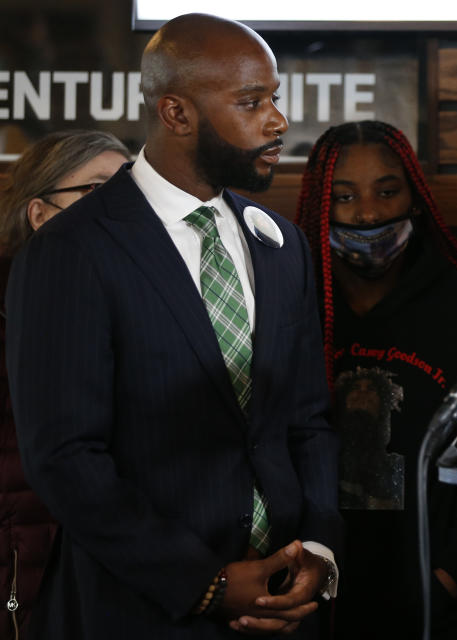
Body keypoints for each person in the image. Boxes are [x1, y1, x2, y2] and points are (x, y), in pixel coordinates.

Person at [6, 14, 341, 639]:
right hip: (140, 612)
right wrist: (203, 583)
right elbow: (65, 458)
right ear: (176, 114)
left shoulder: (281, 245)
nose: (276, 121)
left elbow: (307, 421)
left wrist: (318, 553)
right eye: (250, 102)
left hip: (285, 610)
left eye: (274, 98)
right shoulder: (72, 250)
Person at [295, 120, 457, 639]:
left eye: (387, 192)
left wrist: (448, 579)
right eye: (343, 197)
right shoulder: (291, 304)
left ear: (416, 198)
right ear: (321, 205)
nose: (367, 213)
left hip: (438, 605)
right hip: (309, 596)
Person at [0, 129, 128, 639]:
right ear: (40, 214)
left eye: (130, 192)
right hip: (27, 572)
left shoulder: (146, 307)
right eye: (97, 191)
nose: (122, 209)